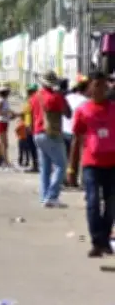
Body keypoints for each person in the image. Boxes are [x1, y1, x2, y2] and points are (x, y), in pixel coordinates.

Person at [68, 72, 115, 257]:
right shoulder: (83, 111)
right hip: (91, 164)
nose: (100, 89)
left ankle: (104, 239)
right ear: (90, 88)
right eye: (96, 85)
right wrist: (72, 168)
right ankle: (98, 241)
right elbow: (76, 140)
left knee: (111, 205)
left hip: (112, 164)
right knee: (93, 202)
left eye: (104, 86)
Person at [29, 70, 71, 207]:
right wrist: (62, 96)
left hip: (37, 133)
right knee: (61, 165)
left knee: (45, 168)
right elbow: (68, 113)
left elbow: (31, 115)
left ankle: (44, 196)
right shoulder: (56, 97)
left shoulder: (35, 96)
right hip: (51, 133)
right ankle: (52, 195)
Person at [0, 85, 14, 169]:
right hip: (0, 122)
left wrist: (11, 114)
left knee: (3, 143)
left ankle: (4, 162)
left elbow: (6, 111)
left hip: (4, 122)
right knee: (1, 143)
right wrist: (8, 113)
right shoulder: (0, 100)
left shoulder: (5, 100)